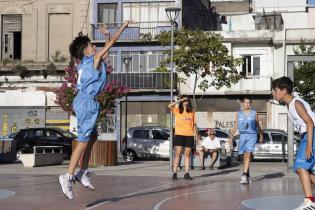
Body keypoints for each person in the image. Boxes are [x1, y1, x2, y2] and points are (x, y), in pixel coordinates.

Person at [58, 21, 132, 200]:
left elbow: (106, 50)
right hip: (86, 102)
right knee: (83, 142)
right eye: (91, 45)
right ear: (87, 51)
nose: (95, 46)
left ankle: (82, 173)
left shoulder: (83, 63)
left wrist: (105, 36)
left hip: (85, 101)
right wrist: (123, 26)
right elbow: (112, 44)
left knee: (92, 138)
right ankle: (67, 177)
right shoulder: (93, 59)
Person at [272, 76, 315, 210]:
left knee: (301, 166)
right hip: (307, 135)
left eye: (275, 90)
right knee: (305, 170)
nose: (273, 93)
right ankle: (310, 201)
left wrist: (308, 145)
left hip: (311, 134)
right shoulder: (289, 104)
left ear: (284, 90)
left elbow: (310, 122)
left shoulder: (296, 103)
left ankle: (309, 202)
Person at [229, 97, 263, 184]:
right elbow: (236, 124)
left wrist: (261, 134)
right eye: (245, 102)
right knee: (244, 157)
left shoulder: (254, 113)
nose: (246, 104)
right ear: (243, 103)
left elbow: (257, 124)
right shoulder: (239, 113)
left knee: (248, 154)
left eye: (248, 103)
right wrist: (231, 135)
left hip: (252, 135)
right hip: (242, 136)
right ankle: (247, 175)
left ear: (250, 104)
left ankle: (244, 175)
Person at [168, 95, 197, 180]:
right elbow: (169, 106)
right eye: (184, 101)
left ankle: (187, 173)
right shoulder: (177, 111)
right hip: (179, 135)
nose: (186, 102)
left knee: (187, 154)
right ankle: (174, 173)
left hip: (189, 135)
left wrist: (196, 136)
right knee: (178, 154)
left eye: (187, 101)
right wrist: (180, 100)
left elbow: (194, 125)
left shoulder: (192, 113)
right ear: (182, 102)